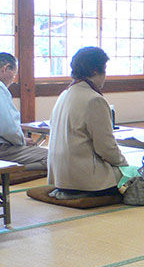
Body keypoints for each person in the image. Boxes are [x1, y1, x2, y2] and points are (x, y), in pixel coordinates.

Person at [48, 47, 128, 198]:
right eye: (104, 70)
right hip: (85, 179)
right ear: (95, 71)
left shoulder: (64, 94)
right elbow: (106, 148)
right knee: (137, 174)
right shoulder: (94, 99)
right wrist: (124, 164)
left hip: (60, 178)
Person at [0, 52, 48, 170]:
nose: (13, 79)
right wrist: (22, 141)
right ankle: (10, 172)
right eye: (14, 74)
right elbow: (8, 129)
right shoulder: (1, 89)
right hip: (3, 149)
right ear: (5, 68)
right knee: (53, 157)